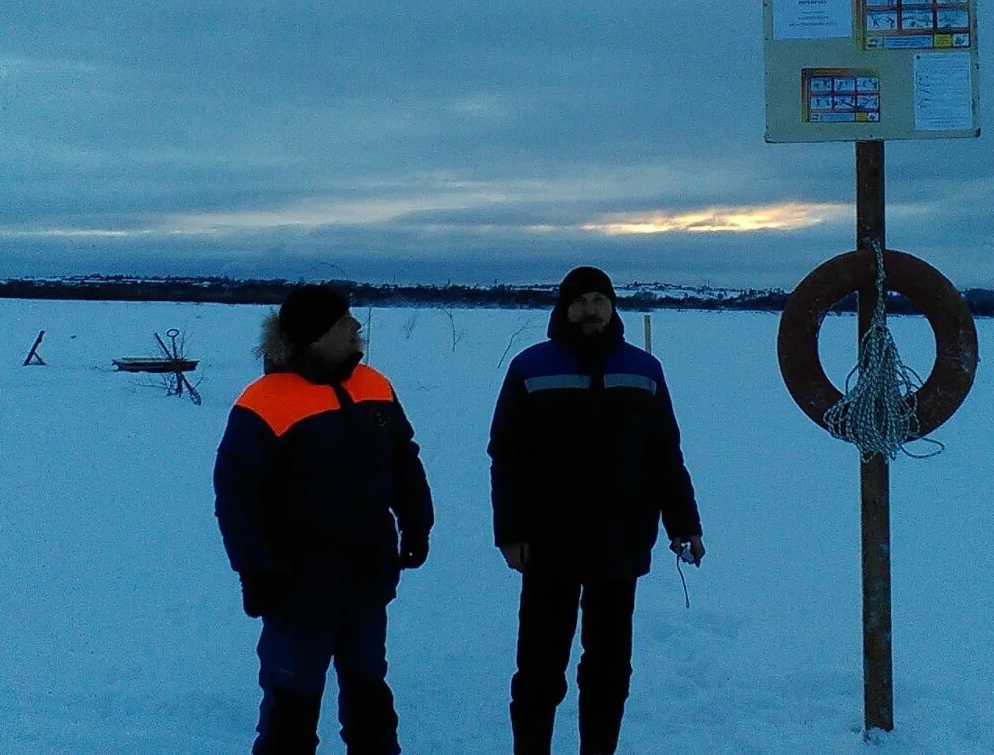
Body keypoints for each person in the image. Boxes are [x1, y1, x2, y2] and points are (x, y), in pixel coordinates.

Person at [488, 266, 705, 755]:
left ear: (613, 307)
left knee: (608, 666)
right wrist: (510, 531)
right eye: (581, 300)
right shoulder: (530, 367)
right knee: (540, 667)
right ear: (564, 309)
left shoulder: (644, 370)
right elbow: (508, 455)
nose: (591, 309)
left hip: (620, 540)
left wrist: (684, 523)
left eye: (600, 300)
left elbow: (665, 454)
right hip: (548, 541)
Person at [215, 284, 434, 755]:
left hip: (366, 580)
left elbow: (403, 460)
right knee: (290, 713)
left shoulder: (374, 385)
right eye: (342, 322)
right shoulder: (264, 401)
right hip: (296, 588)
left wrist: (417, 521)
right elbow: (237, 498)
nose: (356, 327)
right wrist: (256, 571)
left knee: (370, 703)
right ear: (314, 336)